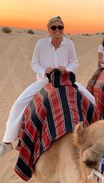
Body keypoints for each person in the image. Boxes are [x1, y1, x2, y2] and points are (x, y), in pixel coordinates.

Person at [0, 16, 95, 158]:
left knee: (91, 99)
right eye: (54, 27)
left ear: (63, 29)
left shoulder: (69, 44)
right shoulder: (41, 44)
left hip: (64, 79)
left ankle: (98, 136)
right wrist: (44, 71)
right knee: (18, 104)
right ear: (49, 30)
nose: (57, 30)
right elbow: (34, 63)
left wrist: (66, 69)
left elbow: (74, 62)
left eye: (60, 27)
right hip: (44, 81)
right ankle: (7, 142)